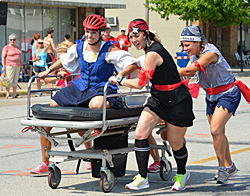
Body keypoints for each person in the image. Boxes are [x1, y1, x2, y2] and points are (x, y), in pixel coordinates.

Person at [30, 14, 138, 174]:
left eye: (94, 32)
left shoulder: (110, 49)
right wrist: (47, 71)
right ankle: (45, 161)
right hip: (80, 87)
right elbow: (64, 60)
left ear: (100, 33)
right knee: (53, 105)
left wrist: (120, 76)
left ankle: (115, 103)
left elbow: (132, 63)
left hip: (100, 86)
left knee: (96, 105)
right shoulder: (78, 46)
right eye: (87, 31)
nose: (89, 35)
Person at [109, 19, 195, 191]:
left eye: (136, 36)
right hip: (158, 99)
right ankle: (142, 177)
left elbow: (140, 83)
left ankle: (182, 173)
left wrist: (119, 79)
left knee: (174, 142)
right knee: (140, 133)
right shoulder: (149, 51)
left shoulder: (153, 53)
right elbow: (136, 64)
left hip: (177, 100)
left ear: (145, 34)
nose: (133, 40)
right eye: (131, 37)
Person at [178, 26, 250, 184]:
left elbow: (191, 71)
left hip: (228, 93)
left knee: (215, 129)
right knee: (218, 133)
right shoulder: (194, 54)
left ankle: (222, 170)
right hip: (211, 96)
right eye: (182, 45)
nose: (184, 49)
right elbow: (188, 77)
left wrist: (169, 72)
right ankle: (230, 166)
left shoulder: (210, 53)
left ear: (197, 42)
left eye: (187, 45)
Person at [1, 33, 23, 99]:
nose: (12, 41)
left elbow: (20, 57)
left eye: (14, 40)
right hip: (9, 65)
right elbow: (3, 57)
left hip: (17, 66)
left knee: (15, 80)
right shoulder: (6, 48)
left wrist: (21, 65)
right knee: (9, 80)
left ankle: (14, 93)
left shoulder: (17, 47)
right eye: (11, 40)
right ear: (9, 40)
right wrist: (4, 66)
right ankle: (7, 94)